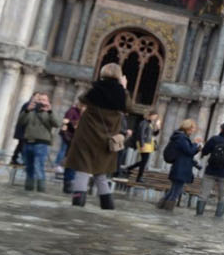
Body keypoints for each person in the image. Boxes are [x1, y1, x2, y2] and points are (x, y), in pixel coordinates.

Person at [64, 64, 128, 210]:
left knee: (83, 169)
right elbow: (128, 106)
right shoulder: (122, 96)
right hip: (107, 140)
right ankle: (107, 205)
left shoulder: (94, 92)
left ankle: (77, 205)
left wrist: (98, 85)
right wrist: (123, 88)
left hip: (87, 136)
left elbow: (81, 99)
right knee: (101, 172)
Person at [17, 93, 60, 192]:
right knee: (29, 167)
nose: (42, 102)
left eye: (44, 100)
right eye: (40, 99)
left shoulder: (49, 112)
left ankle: (41, 190)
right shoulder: (30, 111)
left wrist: (50, 111)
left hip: (42, 143)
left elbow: (57, 124)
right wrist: (27, 110)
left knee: (39, 166)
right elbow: (21, 122)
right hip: (28, 142)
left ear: (48, 102)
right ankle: (28, 188)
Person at [160, 119, 201, 210]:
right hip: (181, 168)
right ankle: (168, 209)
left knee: (173, 190)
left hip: (180, 166)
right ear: (188, 128)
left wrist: (196, 148)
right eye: (193, 128)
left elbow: (186, 152)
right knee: (176, 192)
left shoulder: (179, 136)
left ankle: (161, 206)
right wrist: (195, 144)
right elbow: (189, 151)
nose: (193, 130)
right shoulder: (181, 137)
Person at [126, 112, 162, 181]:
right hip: (144, 143)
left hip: (148, 144)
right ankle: (138, 176)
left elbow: (153, 134)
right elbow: (141, 134)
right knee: (144, 161)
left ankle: (131, 170)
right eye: (154, 116)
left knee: (144, 161)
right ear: (150, 115)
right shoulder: (144, 123)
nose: (155, 118)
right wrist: (142, 144)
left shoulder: (149, 123)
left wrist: (158, 128)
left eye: (156, 117)